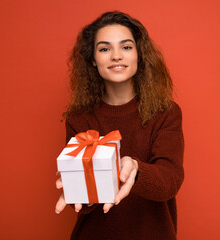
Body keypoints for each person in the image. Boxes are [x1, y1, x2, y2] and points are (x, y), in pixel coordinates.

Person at [55, 11, 184, 240]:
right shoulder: (79, 118)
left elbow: (170, 180)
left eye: (126, 47)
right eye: (104, 49)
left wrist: (134, 170)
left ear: (139, 55)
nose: (116, 56)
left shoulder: (166, 113)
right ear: (93, 60)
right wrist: (77, 186)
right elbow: (83, 205)